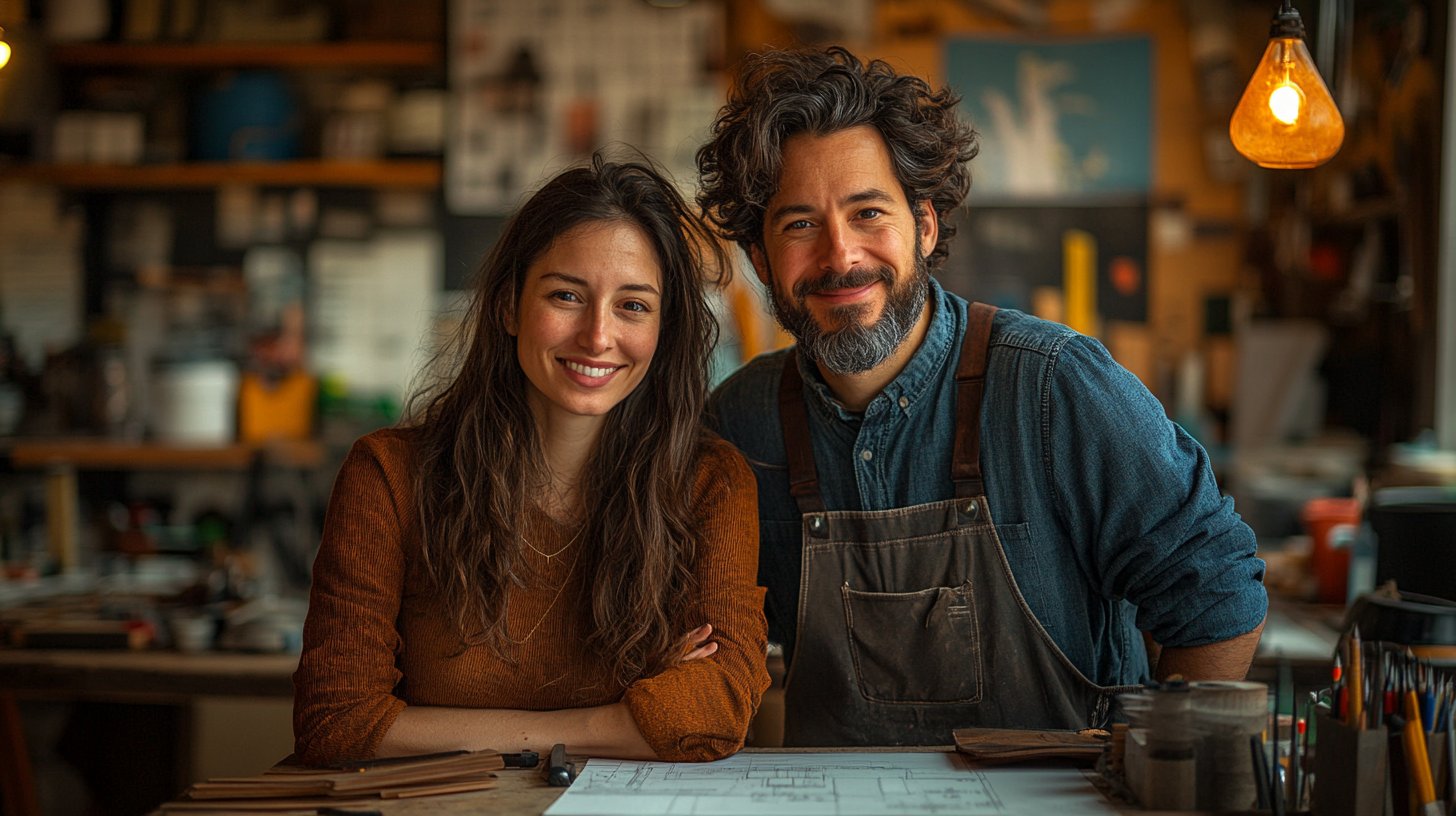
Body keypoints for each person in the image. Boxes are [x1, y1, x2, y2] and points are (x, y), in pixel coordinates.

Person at [696, 46, 1267, 746]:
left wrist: (1170, 770)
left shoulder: (1055, 388)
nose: (840, 255)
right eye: (799, 224)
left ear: (925, 226)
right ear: (760, 259)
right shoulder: (738, 425)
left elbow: (1217, 594)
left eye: (868, 212)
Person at [293, 154, 770, 765]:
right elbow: (335, 722)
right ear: (508, 306)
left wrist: (422, 725)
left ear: (664, 328)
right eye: (567, 295)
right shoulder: (389, 477)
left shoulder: (708, 483)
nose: (598, 336)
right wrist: (619, 720)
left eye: (633, 305)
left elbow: (718, 708)